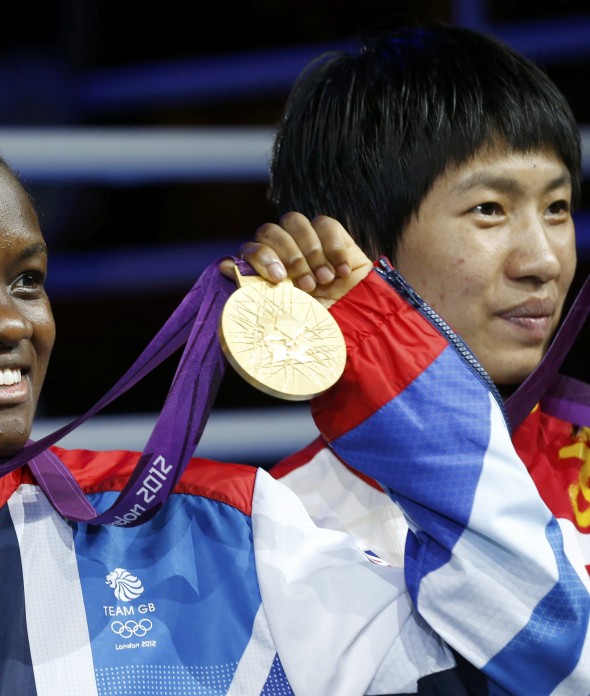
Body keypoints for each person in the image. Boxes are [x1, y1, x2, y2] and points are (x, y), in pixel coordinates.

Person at [0, 115, 586, 695]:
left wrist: (387, 363)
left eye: (28, 281)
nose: (8, 323)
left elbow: (555, 652)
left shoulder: (223, 535)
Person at [253, 24, 590, 572]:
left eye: (557, 207)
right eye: (489, 209)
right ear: (353, 244)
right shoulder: (288, 532)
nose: (544, 262)